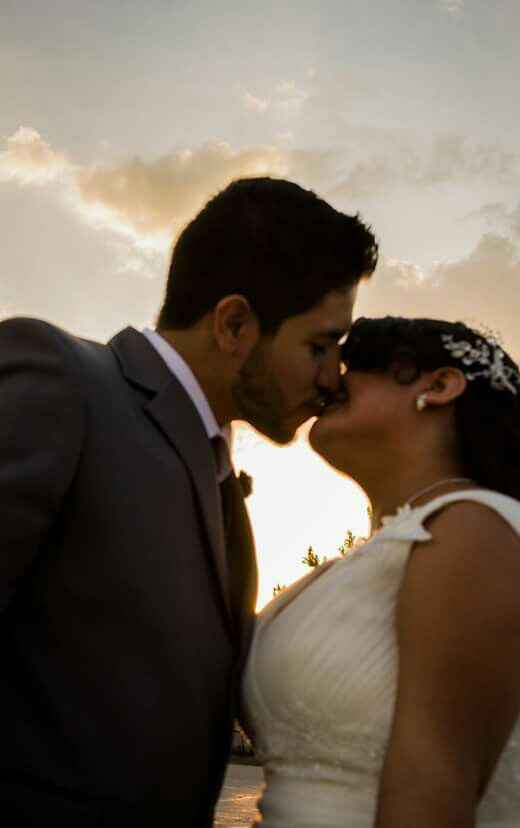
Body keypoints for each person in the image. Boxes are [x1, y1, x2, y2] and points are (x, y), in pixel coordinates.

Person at [0, 177, 378, 824]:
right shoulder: (62, 382)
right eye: (319, 346)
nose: (330, 378)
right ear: (234, 323)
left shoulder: (221, 474)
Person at [242, 316, 520, 828]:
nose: (330, 380)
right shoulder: (383, 552)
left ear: (440, 385)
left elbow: (434, 792)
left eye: (357, 364)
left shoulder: (472, 532)